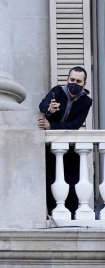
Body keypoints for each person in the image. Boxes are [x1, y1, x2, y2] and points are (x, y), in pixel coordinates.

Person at [38, 66, 92, 215]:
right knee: (50, 179)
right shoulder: (57, 91)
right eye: (72, 79)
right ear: (68, 79)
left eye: (78, 81)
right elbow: (42, 105)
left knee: (72, 181)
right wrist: (50, 110)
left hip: (70, 148)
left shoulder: (86, 102)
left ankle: (73, 214)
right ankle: (49, 214)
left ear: (84, 83)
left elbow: (75, 125)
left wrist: (51, 126)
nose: (74, 83)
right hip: (51, 148)